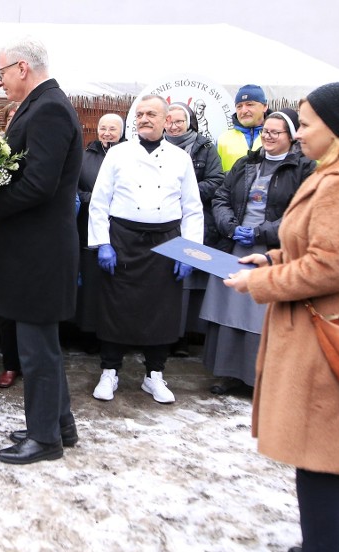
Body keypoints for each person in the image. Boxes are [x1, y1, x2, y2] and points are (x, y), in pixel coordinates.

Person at [224, 82, 339, 552]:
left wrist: (263, 281)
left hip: (332, 331)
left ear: (335, 128)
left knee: (320, 453)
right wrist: (274, 255)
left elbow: (331, 268)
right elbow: (330, 248)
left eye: (305, 125)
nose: (297, 135)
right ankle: (335, 550)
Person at [0, 36, 82, 464]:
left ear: (22, 68)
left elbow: (38, 184)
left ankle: (44, 438)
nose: (0, 83)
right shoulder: (44, 105)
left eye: (1, 73)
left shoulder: (48, 108)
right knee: (41, 342)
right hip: (36, 248)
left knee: (36, 347)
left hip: (38, 252)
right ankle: (59, 423)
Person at [87, 94, 203, 404]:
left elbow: (192, 209)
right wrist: (103, 244)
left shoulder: (181, 158)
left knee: (162, 310)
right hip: (123, 238)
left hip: (166, 240)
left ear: (167, 121)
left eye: (151, 114)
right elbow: (99, 202)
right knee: (115, 307)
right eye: (139, 114)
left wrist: (189, 252)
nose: (143, 119)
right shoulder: (118, 154)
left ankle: (155, 375)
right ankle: (109, 371)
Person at [201, 109, 315, 394]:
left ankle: (264, 380)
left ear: (291, 137)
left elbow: (302, 213)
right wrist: (230, 226)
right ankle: (230, 374)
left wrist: (262, 232)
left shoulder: (304, 169)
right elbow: (222, 196)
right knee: (231, 311)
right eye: (266, 131)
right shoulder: (246, 163)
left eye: (276, 133)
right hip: (237, 245)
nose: (268, 137)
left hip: (274, 250)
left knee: (261, 316)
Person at [163, 101, 225, 356]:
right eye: (170, 121)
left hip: (191, 217)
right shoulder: (154, 146)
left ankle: (181, 337)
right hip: (162, 219)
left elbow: (216, 180)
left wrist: (185, 193)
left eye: (179, 121)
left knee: (187, 282)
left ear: (190, 122)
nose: (174, 126)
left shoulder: (205, 147)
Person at [74, 113, 125, 354]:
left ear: (121, 131)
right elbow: (74, 188)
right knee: (91, 284)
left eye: (112, 129)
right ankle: (88, 333)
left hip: (122, 231)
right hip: (89, 227)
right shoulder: (85, 157)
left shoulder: (130, 155)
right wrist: (95, 200)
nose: (107, 133)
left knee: (117, 285)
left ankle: (116, 334)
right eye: (103, 128)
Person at [0, 100, 23, 389]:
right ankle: (10, 364)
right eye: (9, 117)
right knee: (6, 305)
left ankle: (29, 361)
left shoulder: (35, 146)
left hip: (31, 235)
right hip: (2, 234)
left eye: (19, 116)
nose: (14, 121)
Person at [217, 84, 270, 171]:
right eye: (239, 106)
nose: (244, 111)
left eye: (249, 104)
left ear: (265, 106)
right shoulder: (222, 140)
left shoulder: (277, 136)